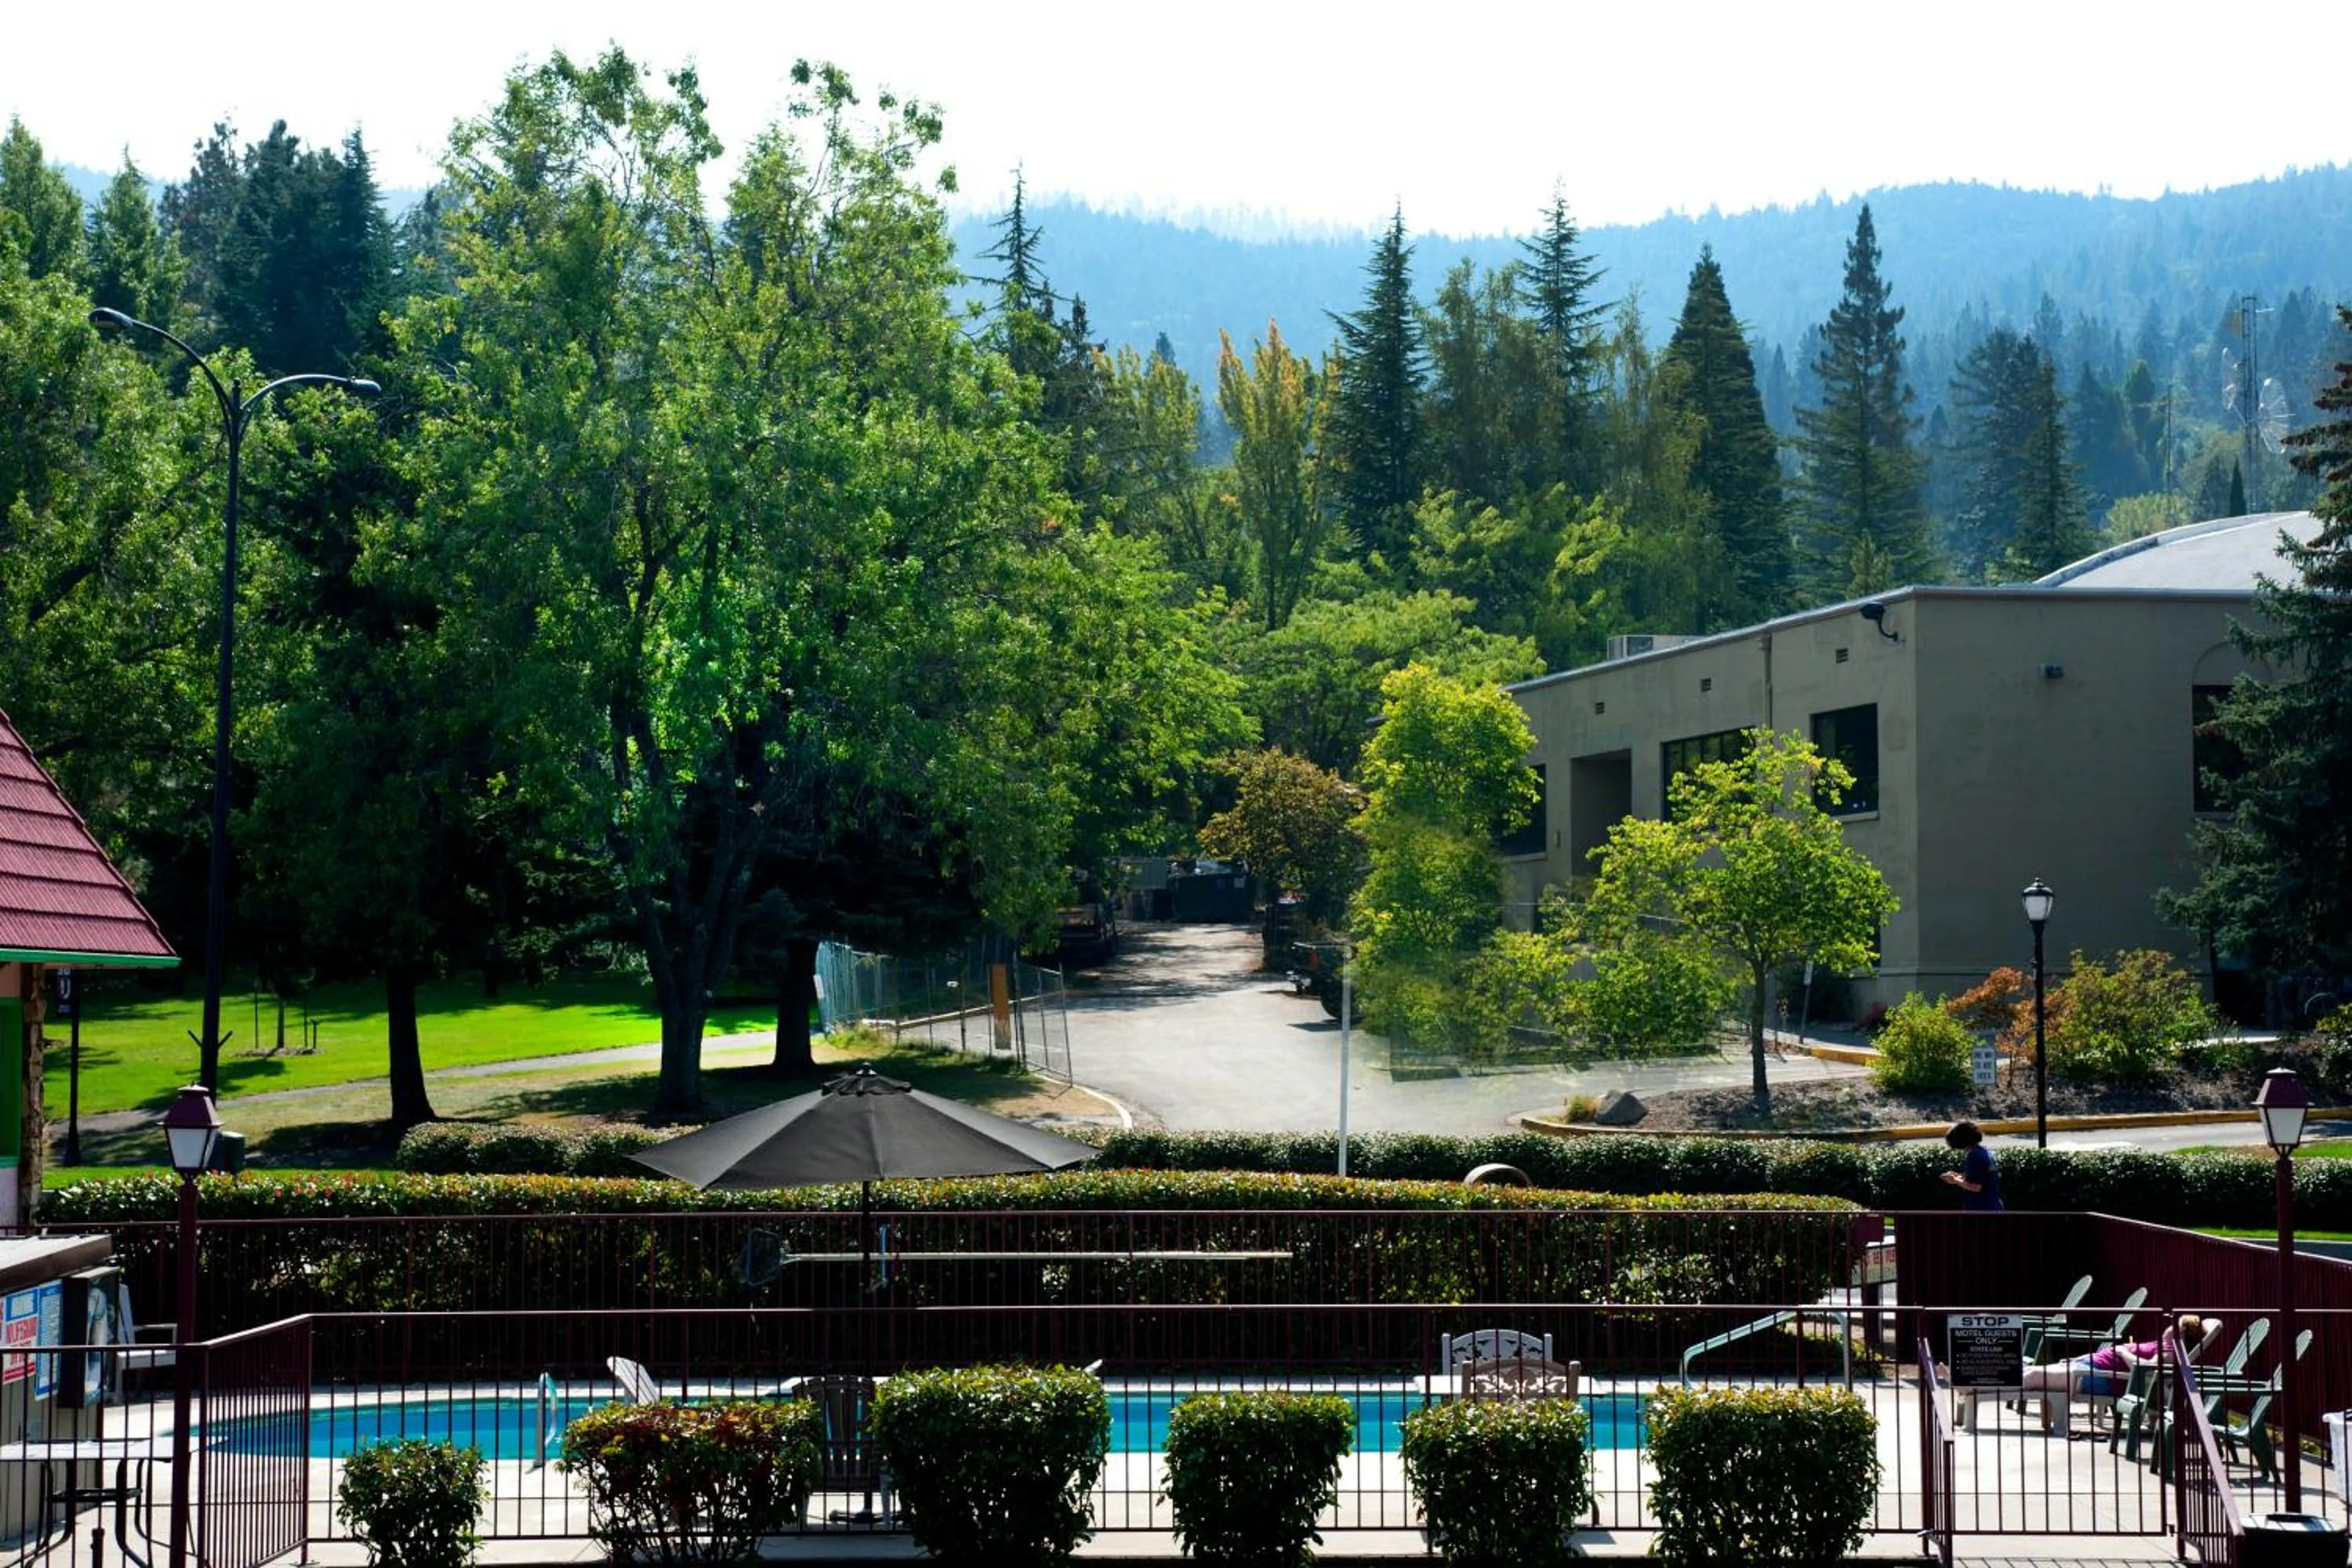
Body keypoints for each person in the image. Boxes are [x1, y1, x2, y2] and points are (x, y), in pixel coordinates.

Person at [2023, 1316, 2215, 1432]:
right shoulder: (2165, 1345)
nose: (2169, 1325)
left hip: (2099, 1377)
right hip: (2093, 1366)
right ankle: (1997, 1378)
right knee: (2030, 1371)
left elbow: (2146, 1370)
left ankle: (1995, 1382)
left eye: (2175, 1323)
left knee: (2031, 1377)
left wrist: (2123, 1352)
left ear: (2180, 1332)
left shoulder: (2169, 1354)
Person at [1939, 1120, 2002, 1210]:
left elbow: (1976, 1187)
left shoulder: (1974, 1156)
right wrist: (1959, 1176)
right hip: (1993, 1206)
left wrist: (1955, 1180)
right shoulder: (1983, 1151)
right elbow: (1980, 1178)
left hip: (1982, 1209)